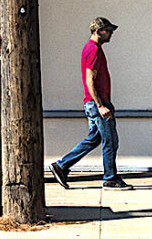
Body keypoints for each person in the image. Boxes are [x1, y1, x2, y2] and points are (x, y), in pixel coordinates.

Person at [51, 17, 130, 189]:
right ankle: (110, 178)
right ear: (97, 31)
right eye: (108, 30)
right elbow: (90, 81)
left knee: (95, 139)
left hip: (95, 103)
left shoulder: (94, 48)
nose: (110, 34)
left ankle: (61, 166)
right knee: (110, 141)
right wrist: (101, 106)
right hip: (97, 105)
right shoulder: (93, 50)